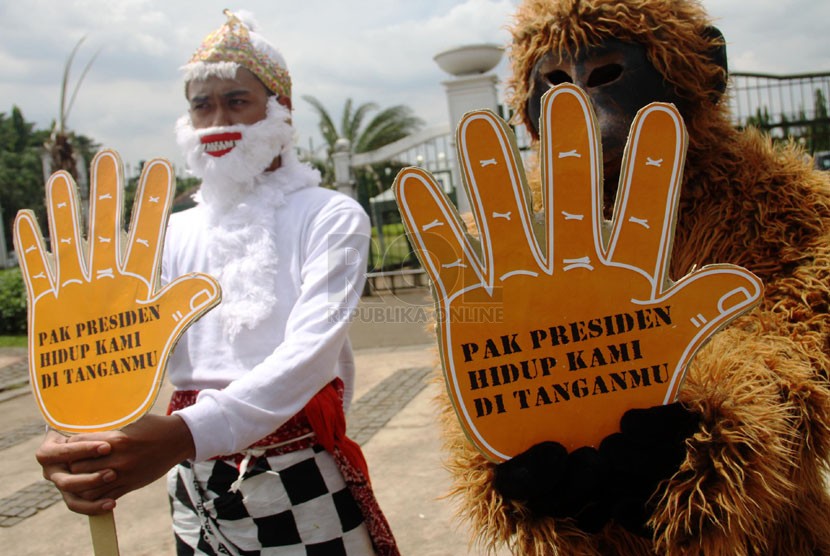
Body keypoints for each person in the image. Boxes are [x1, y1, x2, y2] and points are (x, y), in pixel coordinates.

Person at [437, 0, 830, 554]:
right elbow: (476, 369)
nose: (578, 106)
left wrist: (706, 420)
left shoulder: (787, 203)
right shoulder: (516, 222)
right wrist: (509, 451)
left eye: (606, 75)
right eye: (553, 81)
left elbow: (807, 355)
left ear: (702, 74)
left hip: (765, 536)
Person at [35, 10, 399, 555]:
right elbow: (118, 343)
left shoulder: (330, 214)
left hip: (297, 467)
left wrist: (184, 434)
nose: (217, 120)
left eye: (236, 101)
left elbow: (310, 356)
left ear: (280, 110)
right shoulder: (168, 230)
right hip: (190, 482)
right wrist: (79, 430)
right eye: (201, 105)